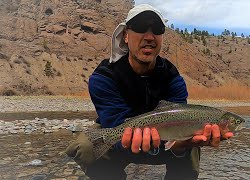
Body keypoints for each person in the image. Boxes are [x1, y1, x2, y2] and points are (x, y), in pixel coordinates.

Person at [66, 4, 233, 180]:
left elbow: (180, 123)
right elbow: (112, 124)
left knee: (192, 145)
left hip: (165, 141)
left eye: (157, 30)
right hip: (121, 139)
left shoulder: (173, 78)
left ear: (162, 37)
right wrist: (129, 140)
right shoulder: (104, 77)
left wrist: (181, 145)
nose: (149, 37)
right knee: (86, 146)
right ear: (125, 36)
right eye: (139, 27)